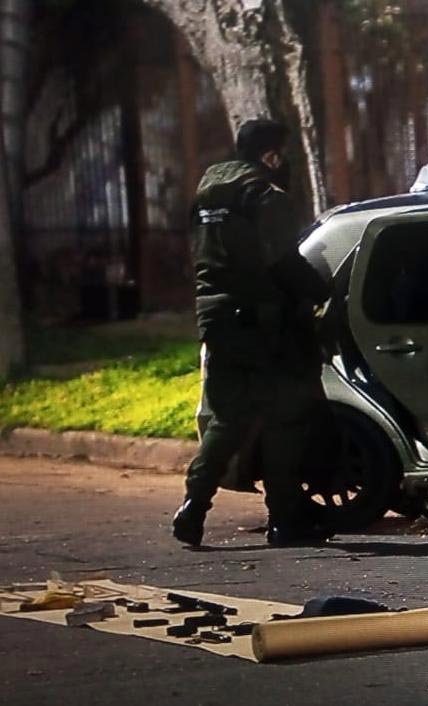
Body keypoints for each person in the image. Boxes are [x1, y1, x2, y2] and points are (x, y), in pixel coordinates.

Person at [172, 118, 331, 548]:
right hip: (263, 323)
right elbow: (282, 262)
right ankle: (284, 520)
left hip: (216, 319)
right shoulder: (264, 195)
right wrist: (320, 288)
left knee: (229, 419)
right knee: (284, 419)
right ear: (271, 155)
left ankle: (192, 506)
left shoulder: (208, 191)